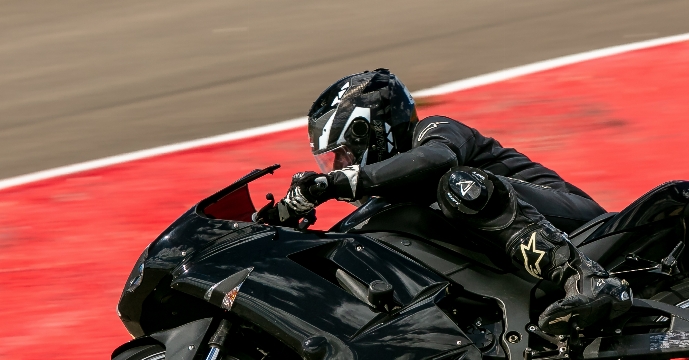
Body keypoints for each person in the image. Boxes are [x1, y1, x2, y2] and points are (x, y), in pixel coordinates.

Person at [261, 68, 631, 337]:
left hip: (580, 224)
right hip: (514, 256)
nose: (339, 167)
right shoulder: (391, 196)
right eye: (331, 163)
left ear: (370, 131)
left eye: (342, 155)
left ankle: (587, 278)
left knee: (458, 185)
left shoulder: (433, 131)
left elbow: (437, 159)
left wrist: (341, 181)